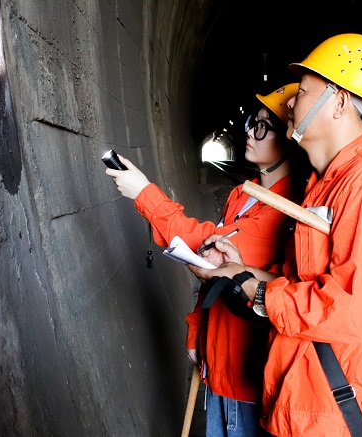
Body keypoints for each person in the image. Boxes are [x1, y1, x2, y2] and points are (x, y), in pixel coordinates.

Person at [192, 33, 362, 437]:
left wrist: (258, 291)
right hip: (305, 398)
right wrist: (238, 269)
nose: (289, 102)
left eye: (302, 91)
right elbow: (306, 284)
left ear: (338, 102)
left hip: (340, 412)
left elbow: (348, 309)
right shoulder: (328, 184)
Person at [105, 84, 307, 437]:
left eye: (263, 126)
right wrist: (197, 335)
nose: (250, 133)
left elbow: (212, 257)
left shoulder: (285, 208)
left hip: (245, 381)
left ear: (289, 139)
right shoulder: (242, 194)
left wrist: (144, 193)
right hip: (217, 363)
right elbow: (210, 287)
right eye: (251, 122)